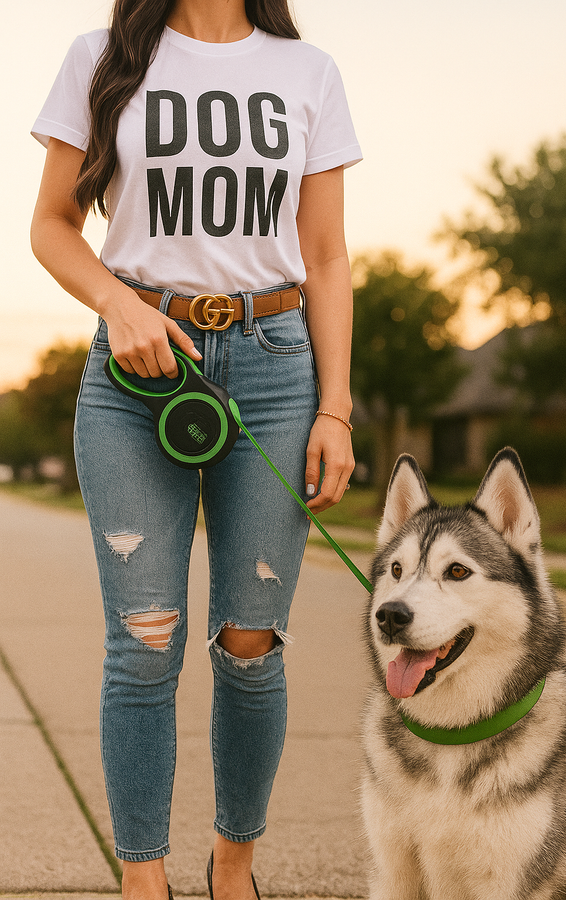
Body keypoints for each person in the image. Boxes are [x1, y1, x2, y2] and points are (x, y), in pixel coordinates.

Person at [30, 1, 361, 898]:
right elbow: (51, 224)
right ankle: (143, 881)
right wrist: (118, 302)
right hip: (138, 372)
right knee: (145, 639)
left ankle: (233, 867)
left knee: (252, 643)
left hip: (276, 367)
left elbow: (327, 256)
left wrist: (335, 408)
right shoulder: (101, 56)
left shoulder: (307, 72)